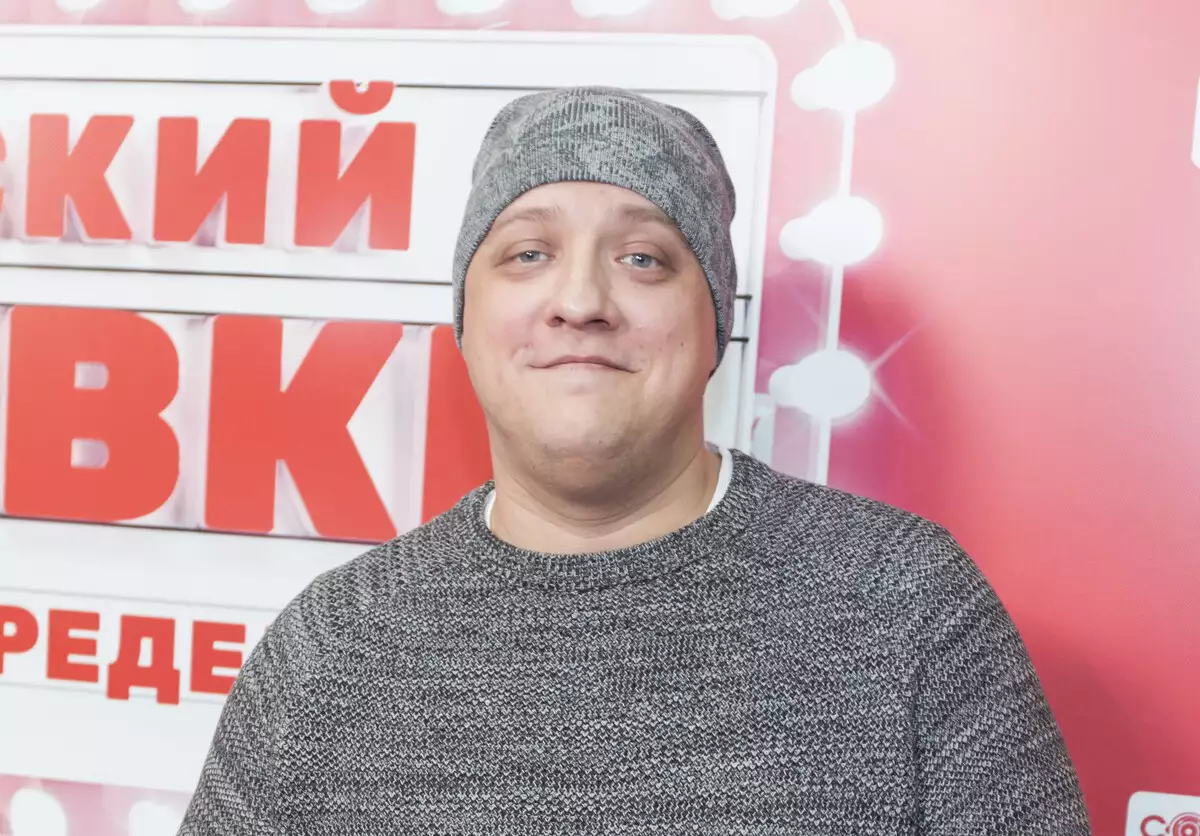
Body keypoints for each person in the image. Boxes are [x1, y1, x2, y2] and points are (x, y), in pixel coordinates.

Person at [177, 86, 1092, 835]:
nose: (580, 300)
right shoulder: (332, 645)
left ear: (712, 324)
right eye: (527, 253)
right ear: (466, 319)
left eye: (645, 258)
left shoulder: (906, 606)